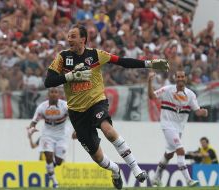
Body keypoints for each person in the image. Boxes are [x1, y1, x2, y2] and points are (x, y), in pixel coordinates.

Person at [42, 24, 169, 189]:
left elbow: (122, 62)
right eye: (68, 36)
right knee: (99, 159)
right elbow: (48, 81)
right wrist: (70, 76)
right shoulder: (63, 57)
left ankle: (135, 168)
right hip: (76, 113)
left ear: (83, 39)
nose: (69, 39)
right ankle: (115, 170)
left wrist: (149, 64)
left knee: (108, 130)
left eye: (73, 36)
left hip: (96, 103)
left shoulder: (96, 55)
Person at [148, 70, 208, 187]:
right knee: (181, 150)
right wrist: (149, 81)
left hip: (179, 128)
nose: (180, 78)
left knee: (169, 154)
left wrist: (204, 112)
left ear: (185, 78)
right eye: (178, 77)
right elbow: (152, 96)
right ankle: (189, 180)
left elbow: (197, 111)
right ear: (175, 78)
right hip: (167, 125)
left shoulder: (190, 94)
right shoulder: (167, 90)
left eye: (182, 76)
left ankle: (155, 178)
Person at [27, 87, 69, 188]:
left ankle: (49, 167)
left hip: (61, 135)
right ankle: (55, 183)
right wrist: (31, 129)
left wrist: (77, 130)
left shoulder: (65, 106)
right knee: (49, 156)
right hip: (47, 135)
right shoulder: (42, 107)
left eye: (56, 92)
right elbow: (34, 122)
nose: (54, 94)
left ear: (59, 95)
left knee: (58, 162)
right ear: (48, 94)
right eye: (52, 92)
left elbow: (76, 117)